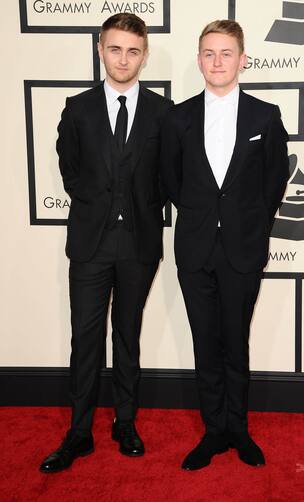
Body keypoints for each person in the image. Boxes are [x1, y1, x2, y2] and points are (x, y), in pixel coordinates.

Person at [40, 13, 172, 473]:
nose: (123, 58)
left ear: (144, 55)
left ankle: (125, 422)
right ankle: (78, 433)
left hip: (139, 244)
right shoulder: (77, 108)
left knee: (129, 337)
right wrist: (100, 204)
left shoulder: (162, 111)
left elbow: (168, 176)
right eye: (115, 48)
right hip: (91, 244)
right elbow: (70, 169)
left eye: (133, 50)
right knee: (85, 339)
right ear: (101, 49)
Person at [161, 20, 289, 471]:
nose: (217, 61)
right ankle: (214, 430)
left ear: (243, 59)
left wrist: (244, 224)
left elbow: (274, 182)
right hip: (195, 250)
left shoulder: (264, 116)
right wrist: (202, 217)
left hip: (242, 250)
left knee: (236, 341)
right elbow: (171, 181)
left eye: (226, 53)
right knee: (205, 343)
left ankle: (239, 427)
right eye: (209, 53)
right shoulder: (177, 117)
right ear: (199, 61)